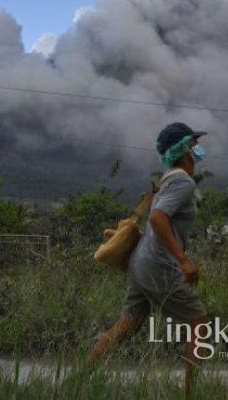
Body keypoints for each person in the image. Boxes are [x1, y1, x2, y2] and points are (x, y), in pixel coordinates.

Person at [87, 122, 209, 395]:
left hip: (141, 261)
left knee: (128, 322)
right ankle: (193, 393)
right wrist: (183, 260)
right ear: (185, 149)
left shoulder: (168, 179)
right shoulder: (183, 182)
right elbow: (157, 217)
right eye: (194, 143)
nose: (198, 148)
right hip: (156, 264)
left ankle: (80, 381)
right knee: (198, 321)